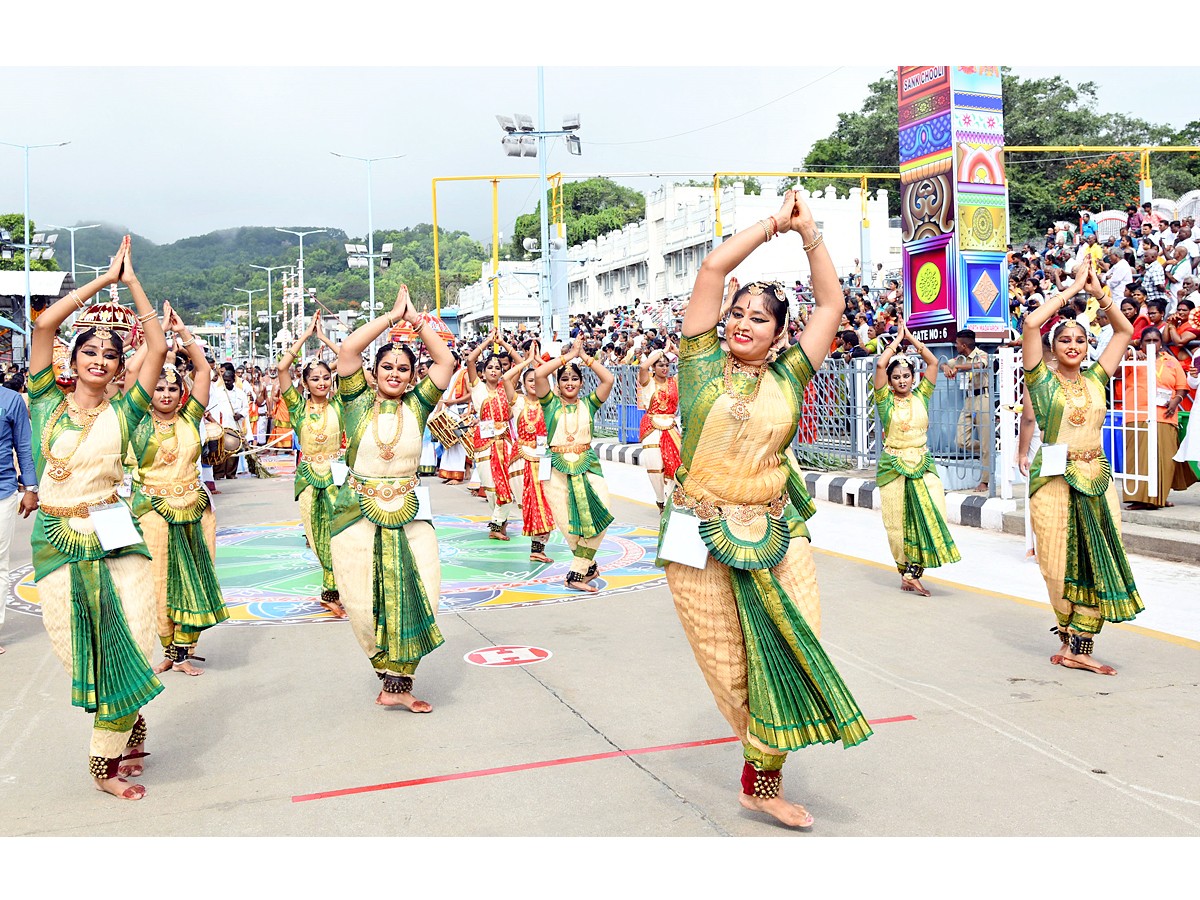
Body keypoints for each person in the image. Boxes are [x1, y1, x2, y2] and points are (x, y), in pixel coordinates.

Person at [666, 191, 872, 829]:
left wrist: (809, 234)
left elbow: (832, 304)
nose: (743, 324)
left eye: (760, 318)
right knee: (730, 671)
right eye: (738, 314)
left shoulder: (790, 376)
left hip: (778, 532)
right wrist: (769, 225)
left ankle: (761, 783)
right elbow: (709, 272)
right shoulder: (700, 366)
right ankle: (760, 777)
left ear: (783, 333)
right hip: (696, 533)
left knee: (793, 647)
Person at [29, 236, 168, 799]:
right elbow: (42, 328)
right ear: (73, 358)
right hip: (57, 541)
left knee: (136, 639)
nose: (101, 360)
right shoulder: (43, 400)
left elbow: (156, 345)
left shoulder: (128, 408)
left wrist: (132, 284)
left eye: (111, 356)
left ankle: (104, 766)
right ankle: (126, 725)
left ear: (118, 367)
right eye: (90, 351)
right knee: (79, 650)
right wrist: (99, 282)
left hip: (114, 535)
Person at [331, 286, 454, 711]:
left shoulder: (418, 406)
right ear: (375, 371)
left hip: (410, 514)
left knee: (424, 593)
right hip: (356, 515)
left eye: (404, 368)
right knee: (364, 605)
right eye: (388, 366)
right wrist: (390, 317)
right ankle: (386, 679)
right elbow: (348, 349)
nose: (396, 374)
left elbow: (446, 362)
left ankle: (401, 685)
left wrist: (416, 322)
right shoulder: (356, 401)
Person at [1020, 257, 1141, 676]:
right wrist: (1071, 291)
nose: (1073, 345)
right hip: (1054, 480)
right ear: (1054, 347)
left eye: (1080, 340)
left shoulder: (1097, 378)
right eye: (1066, 340)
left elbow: (1124, 330)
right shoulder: (1041, 380)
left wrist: (1100, 293)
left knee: (1097, 558)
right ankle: (1069, 639)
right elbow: (1032, 325)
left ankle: (1081, 647)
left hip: (1097, 479)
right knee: (1055, 562)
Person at [127, 306, 227, 675]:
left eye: (172, 388)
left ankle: (185, 649)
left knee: (195, 576)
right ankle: (168, 648)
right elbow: (134, 372)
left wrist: (184, 334)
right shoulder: (135, 420)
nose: (165, 393)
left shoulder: (190, 417)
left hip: (196, 508)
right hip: (154, 510)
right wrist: (153, 336)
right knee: (159, 581)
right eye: (158, 387)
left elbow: (203, 370)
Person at [873, 319, 960, 596]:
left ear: (913, 378)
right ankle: (906, 572)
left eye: (906, 376)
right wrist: (895, 344)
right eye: (896, 377)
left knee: (935, 512)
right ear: (889, 380)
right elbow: (878, 366)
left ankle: (915, 571)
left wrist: (912, 339)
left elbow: (933, 364)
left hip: (923, 463)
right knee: (896, 523)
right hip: (893, 465)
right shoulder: (884, 400)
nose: (901, 381)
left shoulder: (922, 394)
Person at [532, 334, 615, 593]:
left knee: (601, 514)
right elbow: (538, 376)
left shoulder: (589, 404)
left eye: (574, 379)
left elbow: (609, 379)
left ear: (581, 383)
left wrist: (585, 358)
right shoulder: (550, 403)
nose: (570, 383)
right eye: (565, 379)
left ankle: (576, 574)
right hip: (557, 470)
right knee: (568, 526)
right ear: (558, 384)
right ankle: (587, 568)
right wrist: (567, 357)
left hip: (588, 467)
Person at [278, 314, 347, 617]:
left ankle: (333, 592)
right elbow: (281, 368)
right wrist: (305, 336)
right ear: (304, 383)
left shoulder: (340, 403)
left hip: (337, 476)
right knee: (317, 539)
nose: (321, 382)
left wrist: (326, 341)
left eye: (325, 378)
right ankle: (330, 591)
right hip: (308, 478)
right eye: (315, 379)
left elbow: (350, 363)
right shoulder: (297, 406)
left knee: (340, 536)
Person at [1121, 327, 1191, 509]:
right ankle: (1140, 499)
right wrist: (1130, 353)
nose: (1152, 344)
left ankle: (1158, 497)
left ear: (1161, 343)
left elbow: (1182, 386)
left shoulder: (1171, 361)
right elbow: (1114, 373)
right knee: (1139, 458)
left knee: (1164, 460)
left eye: (1155, 341)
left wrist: (1176, 401)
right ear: (1141, 343)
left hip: (1165, 415)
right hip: (1138, 414)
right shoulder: (1134, 359)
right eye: (1147, 341)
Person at [465, 329, 523, 540]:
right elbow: (471, 360)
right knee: (491, 488)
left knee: (505, 487)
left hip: (505, 442)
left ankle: (496, 526)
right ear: (483, 371)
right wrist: (488, 341)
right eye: (490, 367)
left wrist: (504, 345)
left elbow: (519, 362)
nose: (494, 370)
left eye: (498, 368)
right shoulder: (477, 388)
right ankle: (500, 520)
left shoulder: (506, 387)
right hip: (484, 444)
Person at [0, 373, 38, 655]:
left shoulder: (11, 400)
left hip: (3, 492)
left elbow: (23, 446)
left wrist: (31, 488)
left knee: (0, 564)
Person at [510, 348, 555, 563]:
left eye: (538, 380)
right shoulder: (518, 401)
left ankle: (538, 547)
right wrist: (526, 361)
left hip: (543, 458)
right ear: (524, 384)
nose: (534, 384)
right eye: (530, 381)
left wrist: (539, 363)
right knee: (528, 506)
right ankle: (536, 548)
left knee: (546, 504)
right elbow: (506, 379)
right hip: (521, 457)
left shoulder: (549, 402)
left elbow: (557, 380)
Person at [940, 328, 992, 492]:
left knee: (985, 441)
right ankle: (988, 450)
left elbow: (979, 365)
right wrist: (946, 369)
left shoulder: (980, 354)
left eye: (957, 343)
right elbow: (943, 363)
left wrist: (959, 367)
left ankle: (985, 481)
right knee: (962, 440)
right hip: (969, 399)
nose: (955, 346)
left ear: (963, 345)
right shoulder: (960, 358)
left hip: (983, 398)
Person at [636, 342, 681, 511]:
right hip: (652, 425)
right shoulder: (647, 381)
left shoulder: (674, 381)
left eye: (667, 365)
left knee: (675, 463)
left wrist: (676, 352)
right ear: (654, 367)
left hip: (671, 425)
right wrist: (663, 351)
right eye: (660, 365)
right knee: (656, 465)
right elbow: (643, 367)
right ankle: (660, 499)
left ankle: (671, 500)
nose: (664, 368)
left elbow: (689, 368)